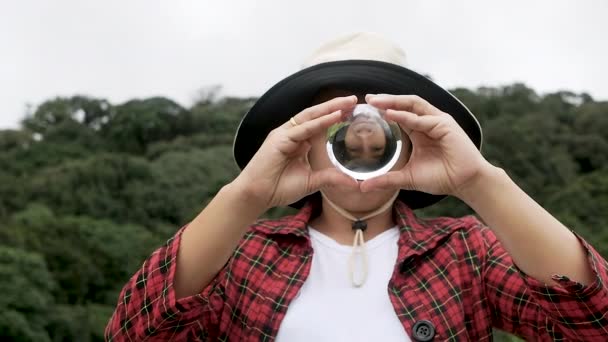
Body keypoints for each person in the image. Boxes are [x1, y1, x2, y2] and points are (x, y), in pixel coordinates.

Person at [105, 33, 608, 341]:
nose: (362, 133)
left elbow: (595, 325)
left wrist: (479, 181)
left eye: (385, 120)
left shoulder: (466, 250)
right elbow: (134, 333)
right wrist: (245, 195)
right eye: (337, 120)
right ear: (301, 140)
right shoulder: (241, 255)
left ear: (413, 140)